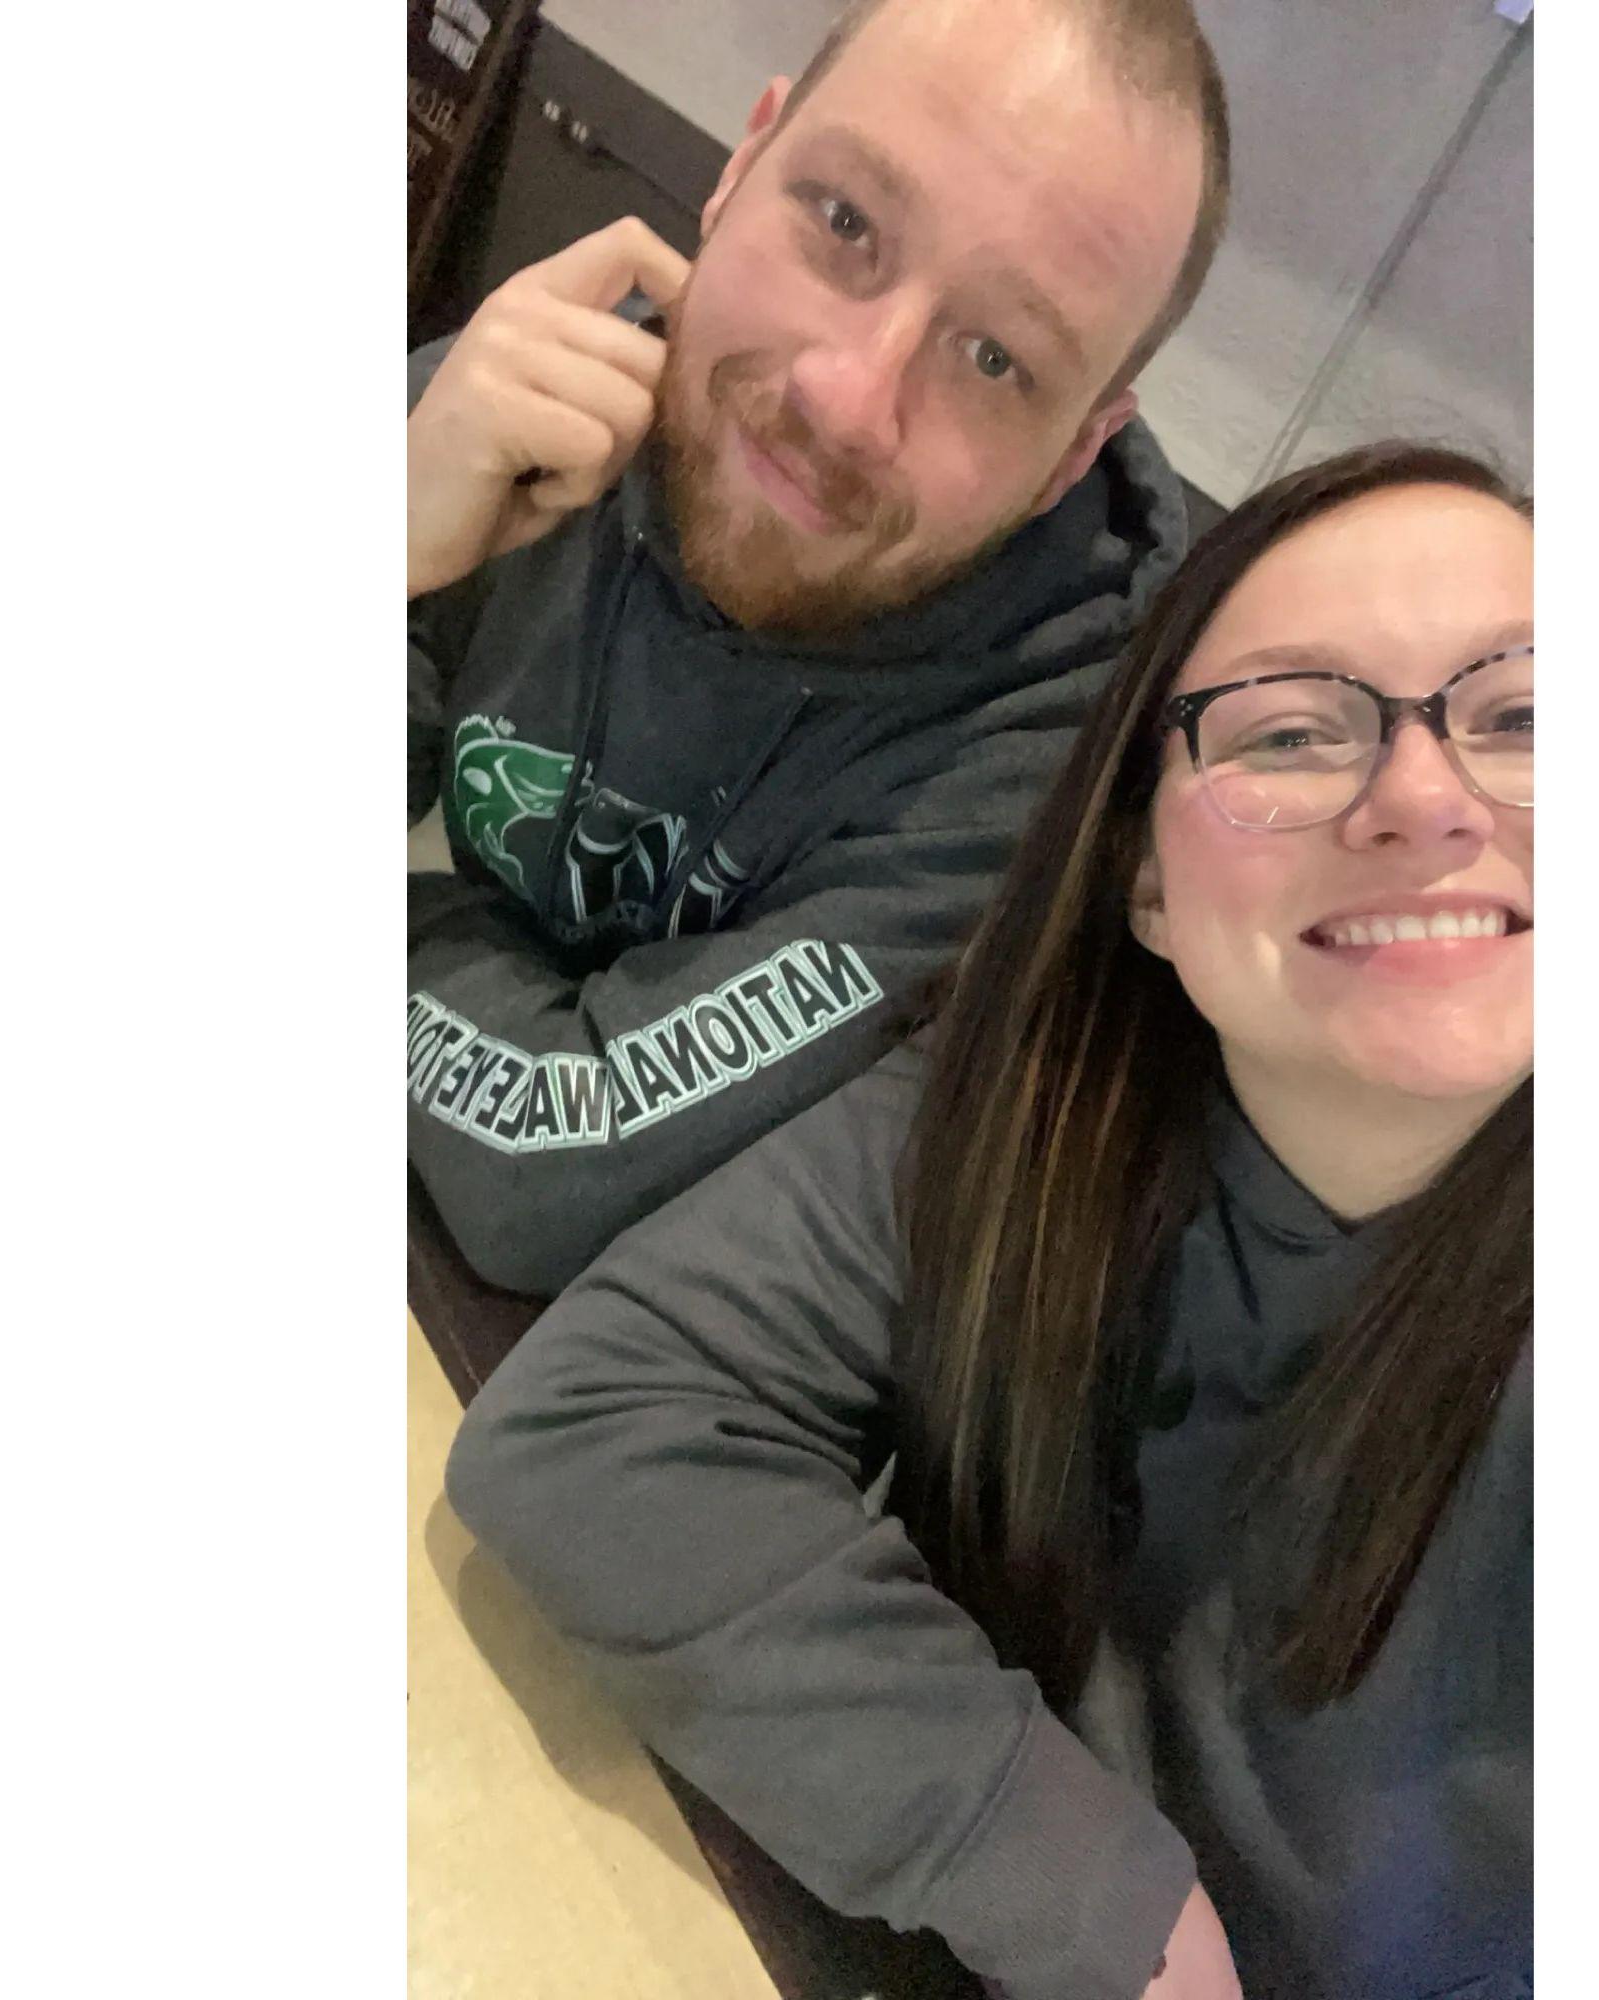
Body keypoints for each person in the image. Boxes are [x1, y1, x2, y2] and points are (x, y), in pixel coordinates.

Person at [446, 441, 1535, 2000]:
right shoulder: (1028, 1100)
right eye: (1292, 731)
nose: (1423, 799)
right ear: (1144, 880)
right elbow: (603, 1421)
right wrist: (1104, 1906)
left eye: (1525, 718)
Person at [406, 0, 1230, 1295]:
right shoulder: (543, 392)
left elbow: (544, 1171)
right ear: (742, 165)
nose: (848, 400)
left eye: (995, 358)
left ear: (1077, 449)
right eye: (844, 222)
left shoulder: (1050, 759)